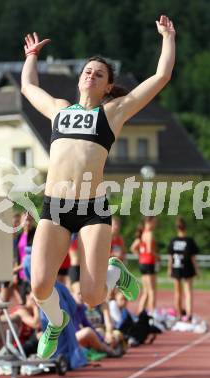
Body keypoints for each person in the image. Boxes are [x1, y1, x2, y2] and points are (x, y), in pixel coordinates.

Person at [21, 14, 175, 359]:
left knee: (92, 296)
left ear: (107, 87)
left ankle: (112, 271)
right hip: (55, 206)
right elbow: (28, 88)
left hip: (92, 209)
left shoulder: (113, 113)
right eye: (87, 70)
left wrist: (168, 37)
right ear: (79, 80)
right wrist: (31, 57)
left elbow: (161, 76)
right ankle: (56, 322)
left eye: (99, 73)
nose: (91, 74)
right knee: (39, 285)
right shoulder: (60, 111)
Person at [167, 216, 199, 321]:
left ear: (177, 228)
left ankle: (179, 315)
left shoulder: (173, 241)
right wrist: (197, 271)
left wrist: (169, 269)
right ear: (185, 228)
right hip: (187, 269)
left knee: (177, 293)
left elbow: (170, 258)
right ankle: (189, 315)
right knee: (188, 292)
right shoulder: (189, 241)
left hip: (176, 268)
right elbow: (193, 258)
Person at [131, 217, 159, 314]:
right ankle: (152, 313)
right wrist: (157, 256)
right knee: (152, 291)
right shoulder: (149, 234)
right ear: (149, 222)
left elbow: (133, 247)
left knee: (146, 291)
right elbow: (150, 250)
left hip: (143, 263)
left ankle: (140, 312)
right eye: (155, 222)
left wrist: (140, 256)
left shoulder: (142, 233)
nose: (155, 224)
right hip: (149, 263)